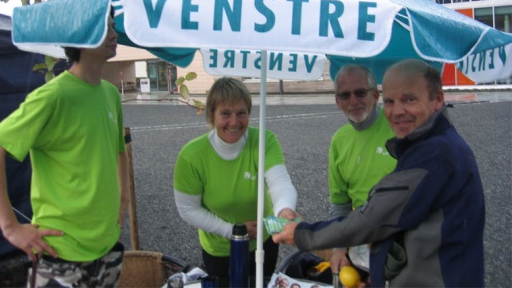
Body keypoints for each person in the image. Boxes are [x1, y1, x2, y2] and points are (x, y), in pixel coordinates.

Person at [272, 59, 485, 287]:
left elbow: (374, 218)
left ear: (438, 99)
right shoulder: (419, 142)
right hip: (391, 261)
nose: (397, 111)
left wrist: (302, 234)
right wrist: (377, 267)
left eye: (409, 99)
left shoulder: (434, 154)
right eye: (391, 101)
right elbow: (399, 219)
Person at [0, 13, 130, 287]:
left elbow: (118, 151)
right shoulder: (54, 95)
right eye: (106, 28)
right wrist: (10, 229)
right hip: (61, 253)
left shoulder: (110, 93)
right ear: (80, 36)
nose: (115, 34)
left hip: (107, 247)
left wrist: (123, 201)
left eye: (114, 27)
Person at [173, 77, 299, 287]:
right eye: (225, 113)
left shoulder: (264, 141)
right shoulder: (191, 156)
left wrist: (284, 211)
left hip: (263, 242)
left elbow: (280, 182)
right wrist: (232, 231)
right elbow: (188, 209)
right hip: (220, 250)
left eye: (241, 113)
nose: (234, 122)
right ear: (212, 115)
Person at [328, 65, 396, 275]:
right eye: (345, 95)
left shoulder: (399, 125)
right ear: (337, 102)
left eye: (360, 92)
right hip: (362, 250)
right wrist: (338, 248)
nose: (353, 101)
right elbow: (340, 205)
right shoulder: (339, 141)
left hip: (403, 248)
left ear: (375, 95)